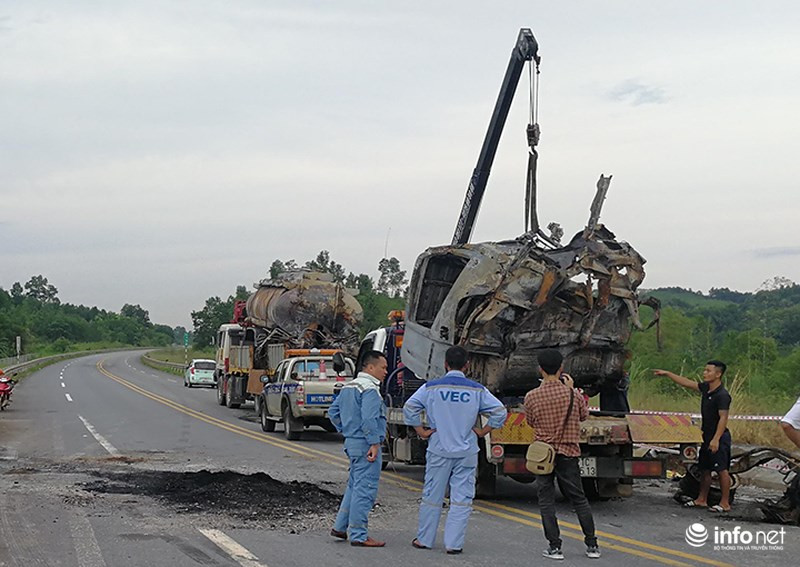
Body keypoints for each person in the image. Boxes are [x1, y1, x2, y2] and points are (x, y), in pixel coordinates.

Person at [403, 345, 507, 555]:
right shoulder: (477, 390)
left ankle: (424, 539)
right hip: (466, 451)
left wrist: (421, 431)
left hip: (439, 449)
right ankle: (454, 544)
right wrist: (483, 430)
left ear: (445, 364)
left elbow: (410, 407)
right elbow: (499, 412)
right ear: (467, 365)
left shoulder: (431, 388)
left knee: (433, 496)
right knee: (461, 498)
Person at [524, 349, 600, 560]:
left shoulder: (532, 396)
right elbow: (584, 416)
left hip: (543, 455)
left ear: (540, 368)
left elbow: (530, 421)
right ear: (561, 369)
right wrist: (572, 389)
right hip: (568, 452)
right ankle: (592, 545)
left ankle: (555, 547)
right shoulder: (573, 394)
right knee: (579, 498)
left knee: (546, 500)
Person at [654, 360, 732, 512]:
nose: (705, 373)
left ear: (718, 374)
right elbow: (688, 383)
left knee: (722, 469)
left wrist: (716, 439)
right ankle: (701, 499)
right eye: (705, 370)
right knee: (705, 469)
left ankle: (725, 503)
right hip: (706, 436)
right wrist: (669, 374)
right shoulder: (706, 389)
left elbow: (723, 418)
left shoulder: (722, 395)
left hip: (719, 437)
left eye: (708, 371)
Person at [328, 350, 388, 547]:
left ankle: (340, 526)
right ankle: (359, 535)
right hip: (365, 445)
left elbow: (333, 412)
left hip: (352, 443)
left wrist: (346, 429)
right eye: (383, 368)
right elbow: (370, 418)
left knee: (354, 486)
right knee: (365, 489)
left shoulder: (349, 386)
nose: (386, 372)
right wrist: (374, 442)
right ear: (370, 367)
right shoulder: (370, 388)